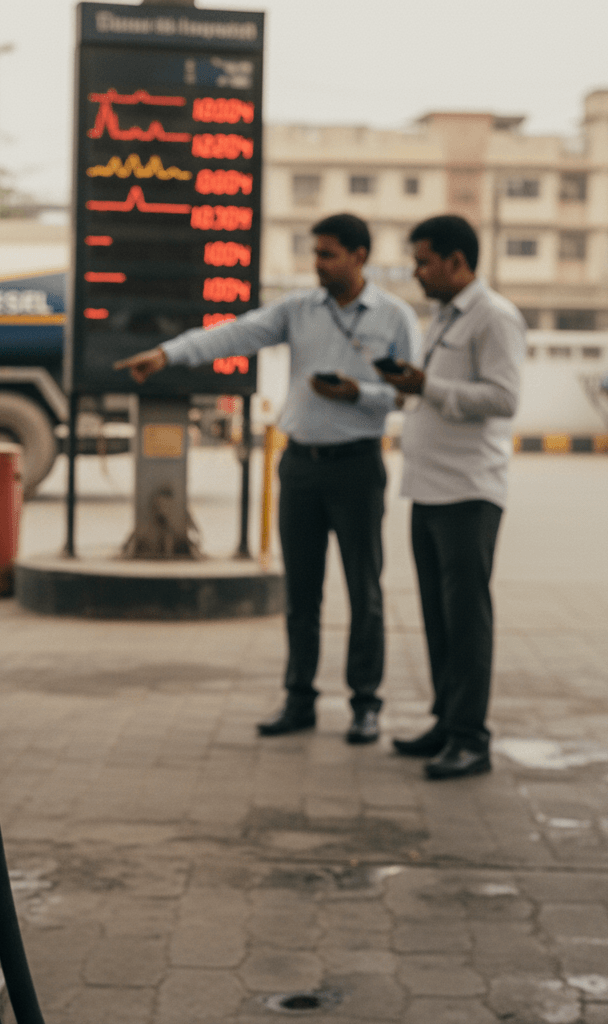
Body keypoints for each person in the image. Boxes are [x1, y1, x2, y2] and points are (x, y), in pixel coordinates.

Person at [115, 213, 418, 744]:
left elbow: (405, 394)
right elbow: (236, 334)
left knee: (363, 590)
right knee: (301, 594)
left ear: (359, 256)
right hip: (300, 465)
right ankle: (299, 699)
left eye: (327, 254)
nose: (317, 264)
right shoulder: (299, 310)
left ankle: (365, 704)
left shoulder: (395, 317)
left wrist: (357, 395)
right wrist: (169, 354)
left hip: (357, 467)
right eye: (315, 253)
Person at [379, 214, 525, 780]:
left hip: (469, 492)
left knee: (466, 620)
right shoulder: (444, 316)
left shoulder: (494, 317)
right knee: (439, 619)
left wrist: (426, 387)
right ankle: (447, 720)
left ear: (457, 261)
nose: (416, 272)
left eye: (423, 261)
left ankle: (471, 738)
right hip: (430, 490)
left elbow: (505, 398)